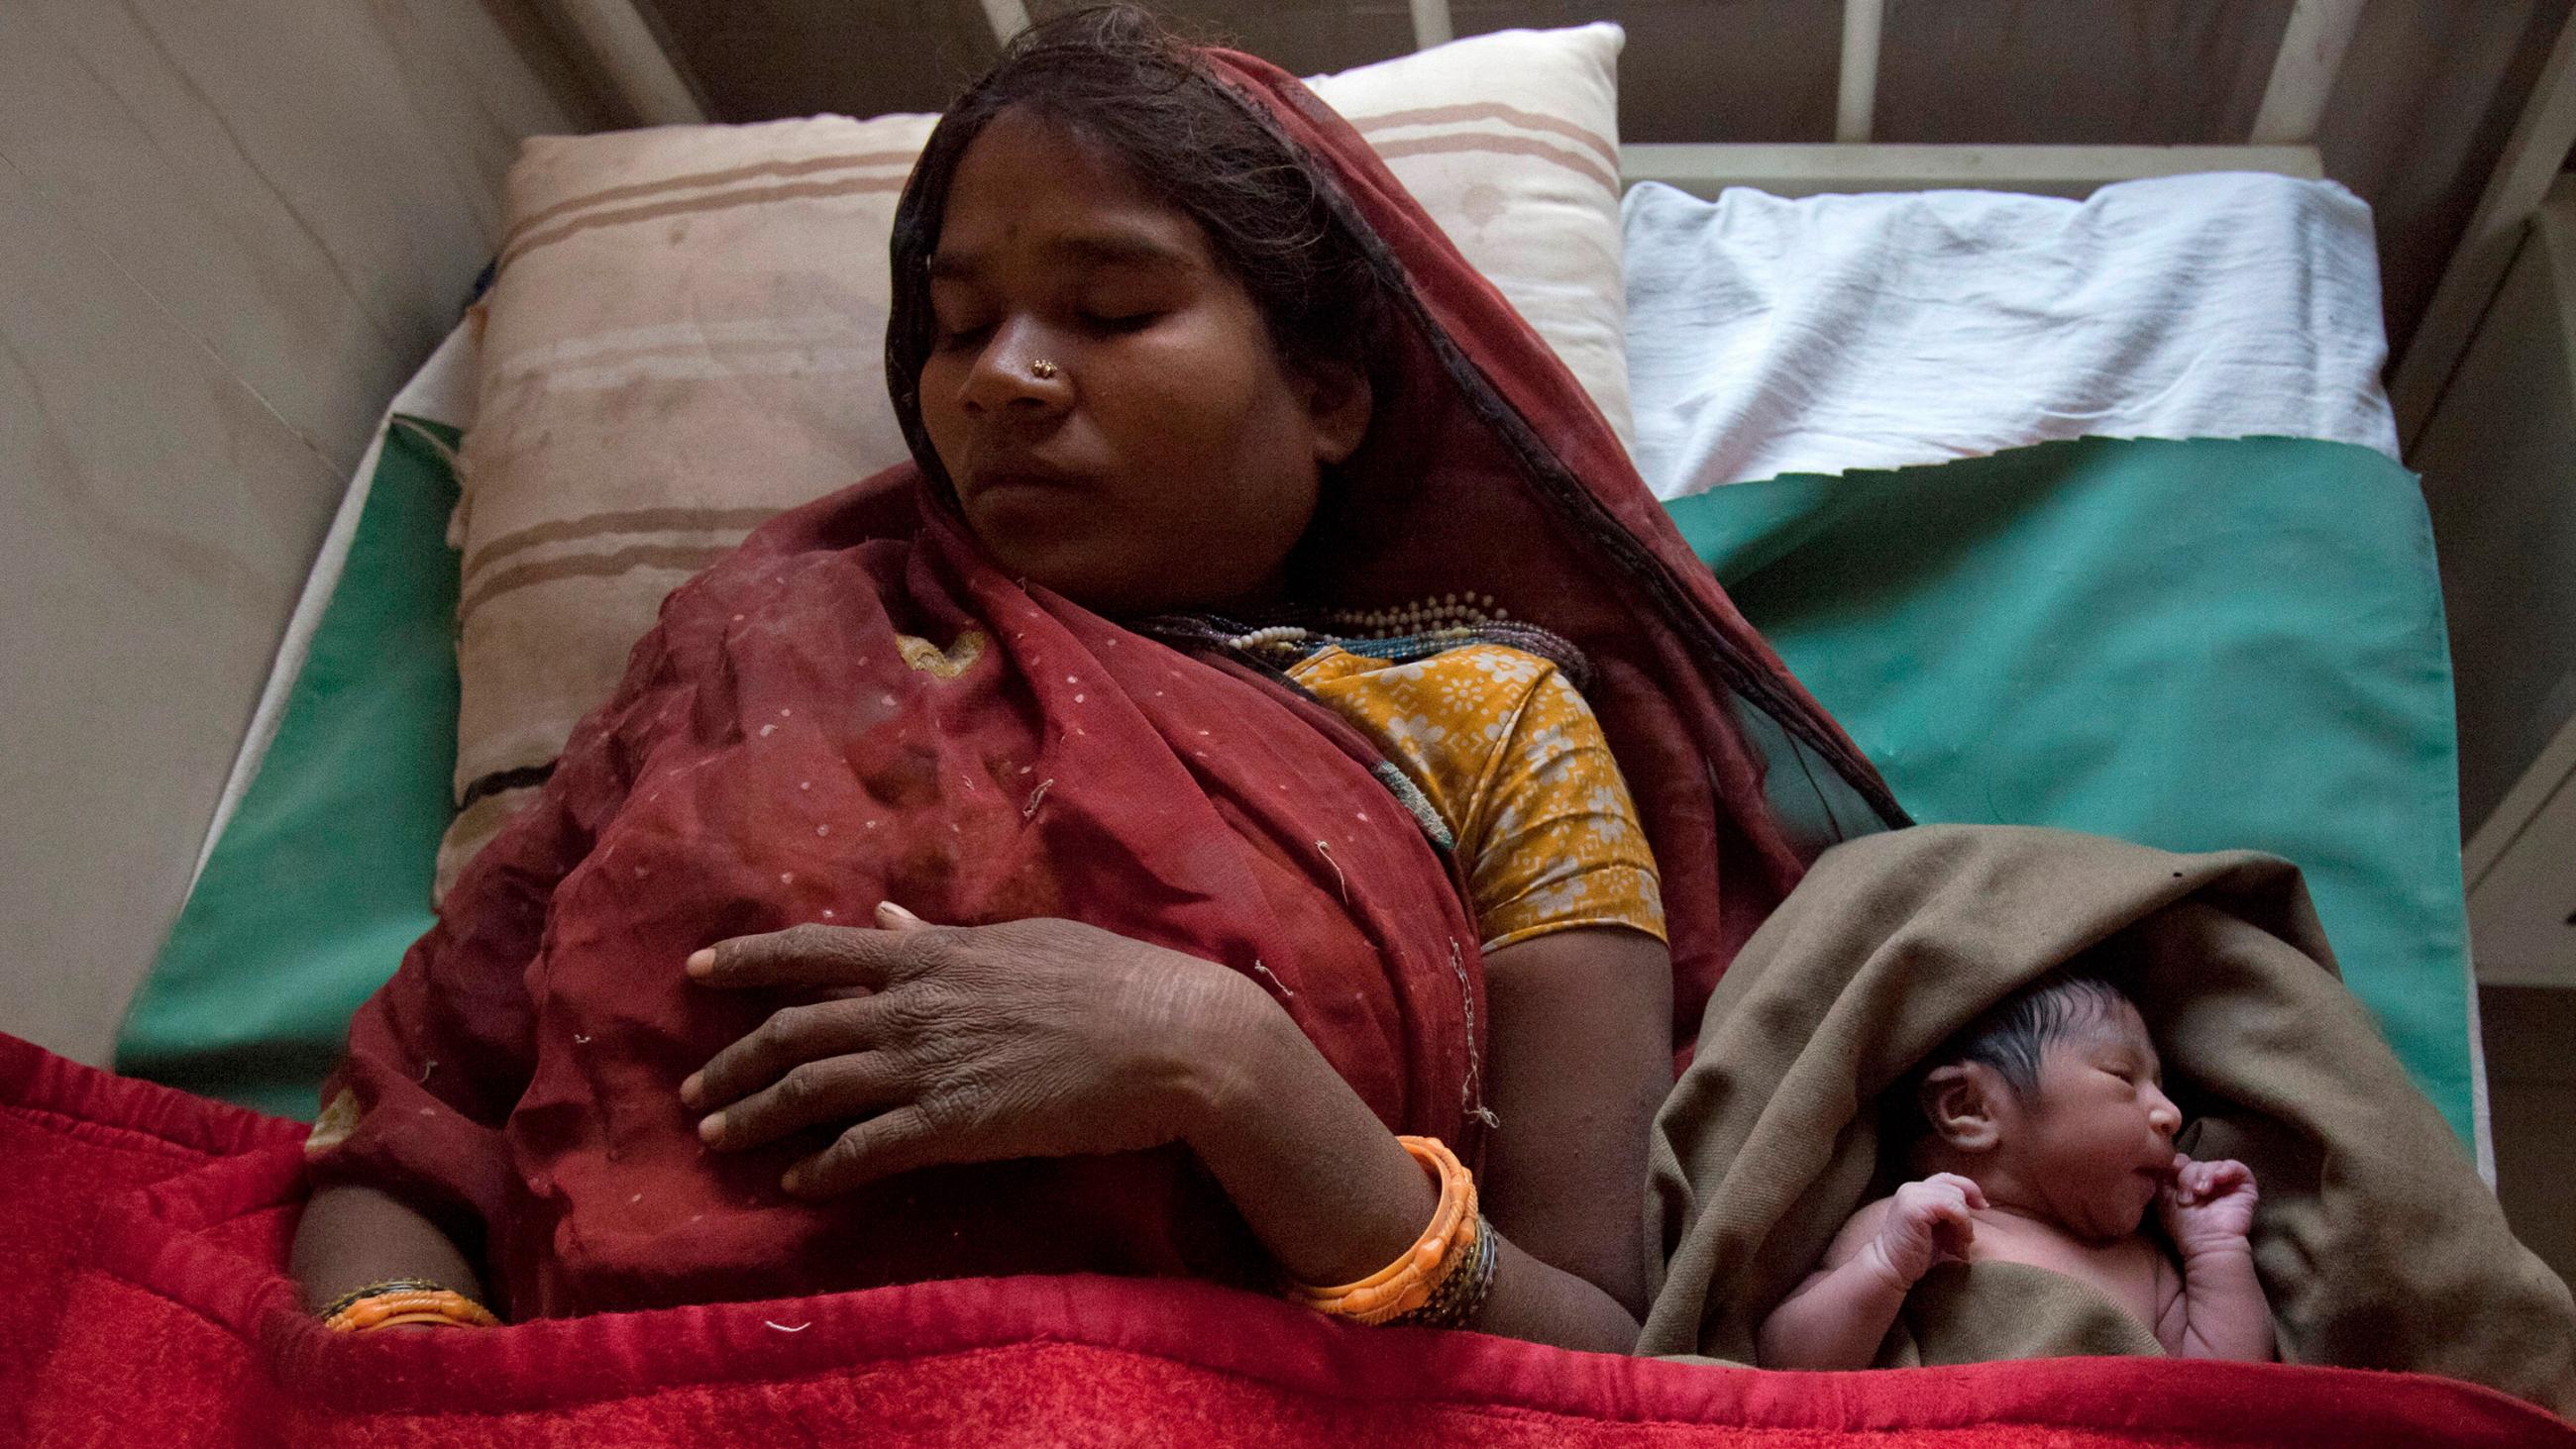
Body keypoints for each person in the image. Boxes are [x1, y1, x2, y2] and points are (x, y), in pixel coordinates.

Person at [289, 6, 1898, 1351]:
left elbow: (1603, 1353)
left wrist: (1218, 1058)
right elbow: (402, 1131)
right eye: (953, 325)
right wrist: (420, 1385)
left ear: (1329, 396)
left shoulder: (1494, 726)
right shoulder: (750, 642)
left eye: (1112, 306)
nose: (1000, 378)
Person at [1755, 972, 2276, 1368]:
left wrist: (2216, 1251)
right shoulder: (1913, 1228)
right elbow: (1786, 1362)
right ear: (1970, 1109)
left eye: (2161, 1086)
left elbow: (2226, 1398)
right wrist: (1884, 1269)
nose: (2170, 1113)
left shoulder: (2146, 1266)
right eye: (2123, 1076)